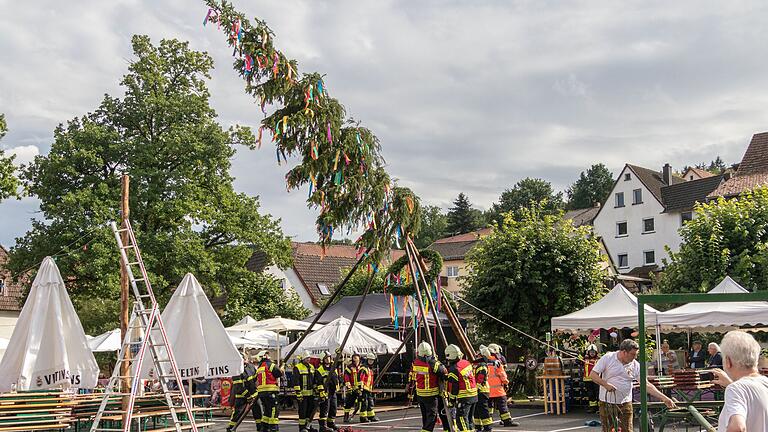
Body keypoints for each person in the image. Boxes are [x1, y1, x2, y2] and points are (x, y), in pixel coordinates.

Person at [589, 339, 676, 432]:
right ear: (624, 352)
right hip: (607, 403)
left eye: (636, 354)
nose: (635, 357)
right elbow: (593, 375)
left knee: (627, 430)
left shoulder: (635, 365)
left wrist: (664, 398)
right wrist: (606, 385)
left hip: (626, 403)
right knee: (608, 430)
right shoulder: (608, 358)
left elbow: (646, 384)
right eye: (633, 354)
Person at [711, 331, 768, 432]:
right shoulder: (764, 382)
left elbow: (738, 427)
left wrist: (732, 386)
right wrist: (731, 383)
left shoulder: (735, 389)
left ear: (728, 361)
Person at [410, 342, 450, 432]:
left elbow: (412, 376)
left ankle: (429, 428)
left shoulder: (415, 363)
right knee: (432, 416)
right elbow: (444, 372)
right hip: (431, 394)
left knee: (425, 415)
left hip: (420, 394)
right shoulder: (433, 363)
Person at [445, 344, 478, 432]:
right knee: (470, 419)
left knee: (461, 419)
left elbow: (454, 388)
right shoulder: (466, 363)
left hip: (465, 397)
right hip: (474, 394)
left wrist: (451, 401)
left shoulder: (453, 369)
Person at [486, 344, 517, 427]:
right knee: (502, 406)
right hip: (498, 390)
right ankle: (507, 421)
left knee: (488, 407)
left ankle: (488, 422)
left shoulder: (483, 362)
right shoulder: (497, 363)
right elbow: (502, 375)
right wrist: (506, 383)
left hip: (486, 390)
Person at [227, 353, 259, 432]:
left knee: (259, 413)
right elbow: (238, 387)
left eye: (244, 359)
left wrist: (255, 393)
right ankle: (230, 429)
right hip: (241, 395)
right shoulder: (236, 369)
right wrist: (248, 396)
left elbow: (256, 380)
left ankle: (260, 429)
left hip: (254, 395)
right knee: (237, 414)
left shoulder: (251, 367)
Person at [256, 350, 284, 432]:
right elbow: (279, 373)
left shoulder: (259, 367)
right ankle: (273, 429)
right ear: (264, 356)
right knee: (274, 410)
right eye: (267, 354)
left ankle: (264, 429)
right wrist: (282, 368)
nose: (269, 356)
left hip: (262, 393)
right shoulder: (270, 364)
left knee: (267, 412)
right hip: (270, 392)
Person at [315, 352, 339, 432]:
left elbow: (337, 378)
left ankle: (331, 423)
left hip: (333, 392)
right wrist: (321, 392)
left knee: (333, 408)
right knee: (325, 409)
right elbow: (319, 382)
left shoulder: (333, 368)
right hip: (325, 392)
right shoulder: (320, 370)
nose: (328, 359)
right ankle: (323, 426)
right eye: (326, 358)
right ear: (322, 360)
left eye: (329, 357)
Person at [293, 351, 317, 432]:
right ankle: (302, 427)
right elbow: (296, 381)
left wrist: (316, 390)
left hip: (311, 394)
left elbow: (314, 380)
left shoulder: (311, 367)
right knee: (302, 412)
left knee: (310, 412)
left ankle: (308, 427)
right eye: (307, 358)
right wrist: (298, 393)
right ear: (303, 358)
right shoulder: (297, 367)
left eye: (309, 358)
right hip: (302, 395)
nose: (308, 359)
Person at [472, 347, 493, 432]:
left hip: (482, 391)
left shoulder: (482, 366)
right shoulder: (479, 365)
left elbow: (481, 379)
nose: (477, 355)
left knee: (483, 410)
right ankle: (478, 427)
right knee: (477, 410)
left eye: (479, 354)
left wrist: (477, 389)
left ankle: (487, 428)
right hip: (480, 390)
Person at [358, 353, 379, 422]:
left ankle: (371, 416)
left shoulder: (369, 369)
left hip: (368, 389)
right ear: (367, 360)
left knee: (370, 402)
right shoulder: (363, 368)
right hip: (363, 389)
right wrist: (360, 389)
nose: (371, 362)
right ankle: (363, 417)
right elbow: (361, 379)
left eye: (372, 360)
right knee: (364, 403)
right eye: (370, 360)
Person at [342, 353, 362, 423]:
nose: (355, 359)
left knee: (360, 404)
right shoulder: (349, 367)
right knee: (348, 403)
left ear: (359, 358)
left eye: (356, 358)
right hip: (352, 389)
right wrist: (349, 387)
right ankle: (346, 416)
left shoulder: (362, 367)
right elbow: (346, 378)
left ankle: (353, 415)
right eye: (354, 358)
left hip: (360, 389)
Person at [582, 344, 600, 413]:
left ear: (596, 352)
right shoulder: (585, 359)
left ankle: (600, 408)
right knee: (590, 394)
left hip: (596, 380)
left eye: (593, 352)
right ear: (588, 352)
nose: (592, 353)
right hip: (587, 380)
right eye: (590, 352)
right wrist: (583, 353)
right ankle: (593, 407)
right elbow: (578, 360)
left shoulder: (599, 359)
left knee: (598, 393)